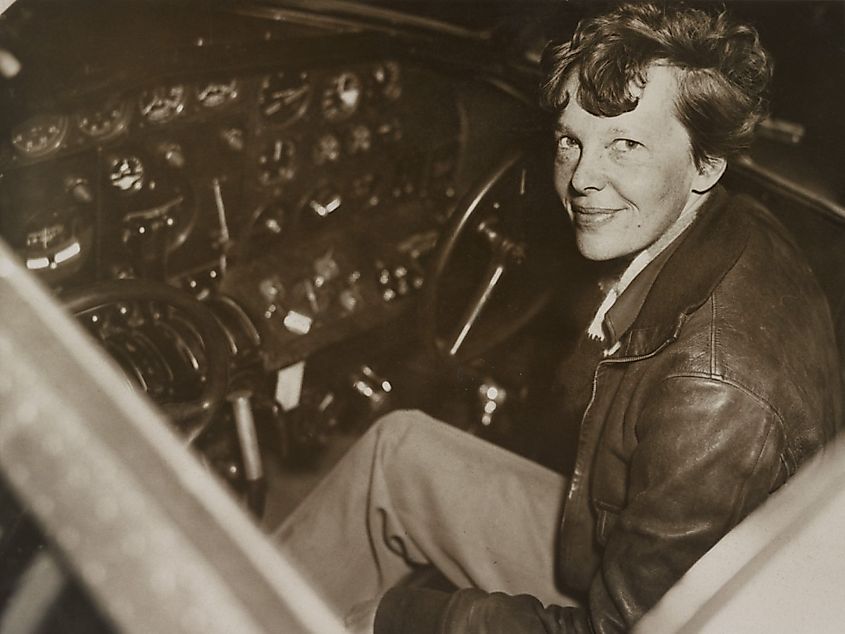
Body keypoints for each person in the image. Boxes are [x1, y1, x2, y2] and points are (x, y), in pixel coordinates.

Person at [274, 3, 842, 632]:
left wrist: (411, 617)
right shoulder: (726, 226)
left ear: (706, 163)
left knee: (371, 619)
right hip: (621, 545)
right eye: (571, 140)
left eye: (625, 144)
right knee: (396, 451)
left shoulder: (714, 395)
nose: (582, 178)